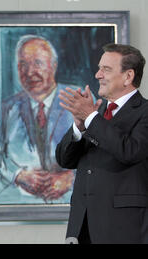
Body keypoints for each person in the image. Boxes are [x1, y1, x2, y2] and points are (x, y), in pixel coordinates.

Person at [56, 43, 148, 243]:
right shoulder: (96, 114)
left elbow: (130, 151)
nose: (98, 75)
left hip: (124, 229)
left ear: (128, 76)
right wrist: (79, 126)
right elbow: (64, 159)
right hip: (82, 227)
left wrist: (90, 117)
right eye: (99, 68)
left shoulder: (144, 112)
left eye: (106, 69)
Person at [0, 35, 76, 204]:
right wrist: (18, 175)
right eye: (23, 65)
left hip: (69, 198)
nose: (30, 72)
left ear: (53, 66)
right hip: (19, 198)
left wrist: (71, 177)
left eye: (38, 63)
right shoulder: (8, 107)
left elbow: (99, 153)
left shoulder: (77, 99)